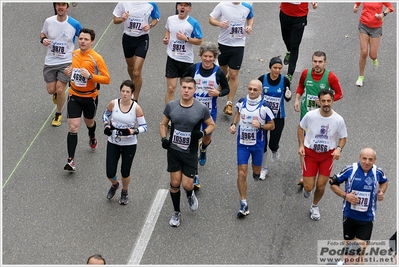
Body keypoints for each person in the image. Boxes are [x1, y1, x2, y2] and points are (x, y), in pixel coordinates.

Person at [160, 77, 215, 227]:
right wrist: (164, 138)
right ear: (180, 88)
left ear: (194, 90)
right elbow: (163, 124)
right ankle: (176, 212)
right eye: (184, 87)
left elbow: (211, 124)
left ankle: (190, 196)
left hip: (190, 151)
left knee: (188, 185)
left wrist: (203, 133)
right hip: (174, 149)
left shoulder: (201, 108)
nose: (186, 90)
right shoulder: (171, 106)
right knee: (175, 182)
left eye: (190, 88)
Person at [182, 41, 230, 188]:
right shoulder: (193, 69)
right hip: (192, 112)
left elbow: (227, 89)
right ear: (201, 56)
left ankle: (204, 149)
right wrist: (189, 91)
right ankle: (194, 175)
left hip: (209, 113)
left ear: (214, 57)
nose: (208, 59)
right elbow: (184, 81)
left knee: (206, 138)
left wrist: (218, 93)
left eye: (210, 57)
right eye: (205, 56)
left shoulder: (218, 72)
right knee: (193, 143)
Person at [63, 28, 111, 171]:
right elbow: (72, 69)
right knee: (73, 126)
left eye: (86, 39)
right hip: (74, 95)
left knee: (89, 122)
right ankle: (70, 160)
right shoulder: (74, 54)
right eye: (81, 39)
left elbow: (107, 79)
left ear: (92, 42)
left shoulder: (97, 58)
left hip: (90, 97)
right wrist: (68, 71)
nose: (82, 41)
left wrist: (91, 76)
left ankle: (92, 135)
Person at [329, 148, 388, 263]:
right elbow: (332, 183)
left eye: (370, 159)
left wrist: (381, 191)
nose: (367, 162)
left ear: (374, 160)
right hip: (349, 217)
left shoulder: (378, 172)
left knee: (357, 254)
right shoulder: (350, 169)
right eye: (364, 158)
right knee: (351, 256)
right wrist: (345, 195)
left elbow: (384, 181)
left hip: (366, 219)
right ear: (359, 158)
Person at [294, 51, 343, 186]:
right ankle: (304, 174)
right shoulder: (305, 73)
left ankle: (315, 169)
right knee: (303, 143)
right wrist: (297, 99)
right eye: (315, 61)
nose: (317, 64)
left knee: (316, 141)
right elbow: (300, 86)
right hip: (306, 113)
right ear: (312, 61)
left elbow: (339, 94)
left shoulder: (330, 77)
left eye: (320, 62)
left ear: (325, 63)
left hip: (322, 117)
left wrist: (325, 101)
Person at [298, 89, 347, 221]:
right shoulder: (310, 115)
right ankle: (307, 190)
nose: (326, 103)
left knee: (320, 185)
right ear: (319, 101)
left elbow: (343, 138)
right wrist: (301, 145)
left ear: (332, 101)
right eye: (323, 101)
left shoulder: (338, 119)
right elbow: (301, 127)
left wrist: (338, 148)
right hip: (311, 154)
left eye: (328, 101)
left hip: (327, 156)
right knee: (309, 186)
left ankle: (314, 206)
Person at [229, 80, 275, 218]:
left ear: (261, 91)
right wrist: (233, 124)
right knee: (242, 174)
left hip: (257, 145)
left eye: (255, 89)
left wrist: (260, 126)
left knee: (256, 171)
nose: (252, 92)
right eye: (250, 89)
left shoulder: (265, 107)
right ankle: (243, 203)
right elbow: (237, 113)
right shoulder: (242, 102)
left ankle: (257, 173)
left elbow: (272, 126)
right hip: (242, 144)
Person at [102, 80, 147, 205]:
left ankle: (125, 191)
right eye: (123, 91)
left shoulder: (136, 108)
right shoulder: (113, 103)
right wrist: (106, 126)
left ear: (132, 93)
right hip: (113, 141)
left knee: (125, 172)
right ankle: (115, 184)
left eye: (128, 92)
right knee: (110, 172)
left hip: (129, 144)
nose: (125, 94)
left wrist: (133, 131)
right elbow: (105, 115)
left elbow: (144, 126)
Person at [41, 2, 82, 127]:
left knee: (60, 89)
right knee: (51, 90)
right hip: (50, 61)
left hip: (67, 61)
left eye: (63, 5)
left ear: (67, 7)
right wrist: (43, 40)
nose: (60, 7)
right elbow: (42, 33)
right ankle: (56, 95)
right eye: (58, 4)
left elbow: (83, 38)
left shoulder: (74, 24)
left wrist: (80, 56)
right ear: (55, 7)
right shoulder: (49, 21)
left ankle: (58, 114)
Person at [209, 2, 254, 116]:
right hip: (224, 43)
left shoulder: (247, 6)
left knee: (234, 74)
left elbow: (250, 17)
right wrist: (220, 23)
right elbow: (211, 19)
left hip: (238, 45)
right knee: (223, 69)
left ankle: (229, 103)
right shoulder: (222, 5)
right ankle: (224, 80)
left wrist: (249, 26)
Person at [112, 2, 160, 102]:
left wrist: (150, 25)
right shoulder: (123, 3)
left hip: (142, 39)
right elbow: (115, 20)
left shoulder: (151, 4)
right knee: (131, 67)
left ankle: (135, 100)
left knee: (137, 71)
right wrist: (122, 19)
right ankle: (135, 83)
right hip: (127, 39)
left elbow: (156, 18)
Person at [257, 56, 291, 179]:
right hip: (263, 117)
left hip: (278, 117)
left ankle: (275, 149)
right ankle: (264, 168)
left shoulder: (284, 80)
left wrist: (288, 95)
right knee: (263, 144)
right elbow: (256, 95)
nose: (277, 70)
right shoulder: (262, 79)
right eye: (275, 68)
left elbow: (288, 97)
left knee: (272, 143)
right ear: (270, 67)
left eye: (280, 68)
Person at [163, 2, 203, 105]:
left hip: (186, 60)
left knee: (186, 90)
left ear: (190, 9)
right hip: (172, 58)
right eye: (180, 5)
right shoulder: (170, 19)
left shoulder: (193, 23)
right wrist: (166, 38)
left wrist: (186, 38)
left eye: (185, 5)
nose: (182, 7)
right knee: (171, 88)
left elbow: (199, 41)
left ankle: (184, 110)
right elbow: (168, 29)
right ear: (177, 7)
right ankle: (170, 115)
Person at [353, 2, 394, 87]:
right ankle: (361, 77)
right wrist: (355, 7)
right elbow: (357, 3)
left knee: (373, 55)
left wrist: (383, 14)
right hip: (363, 25)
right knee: (364, 53)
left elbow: (390, 7)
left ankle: (374, 59)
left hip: (376, 28)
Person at [279, 2, 318, 82]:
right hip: (285, 13)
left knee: (294, 45)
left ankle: (290, 74)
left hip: (300, 16)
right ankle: (288, 52)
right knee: (286, 38)